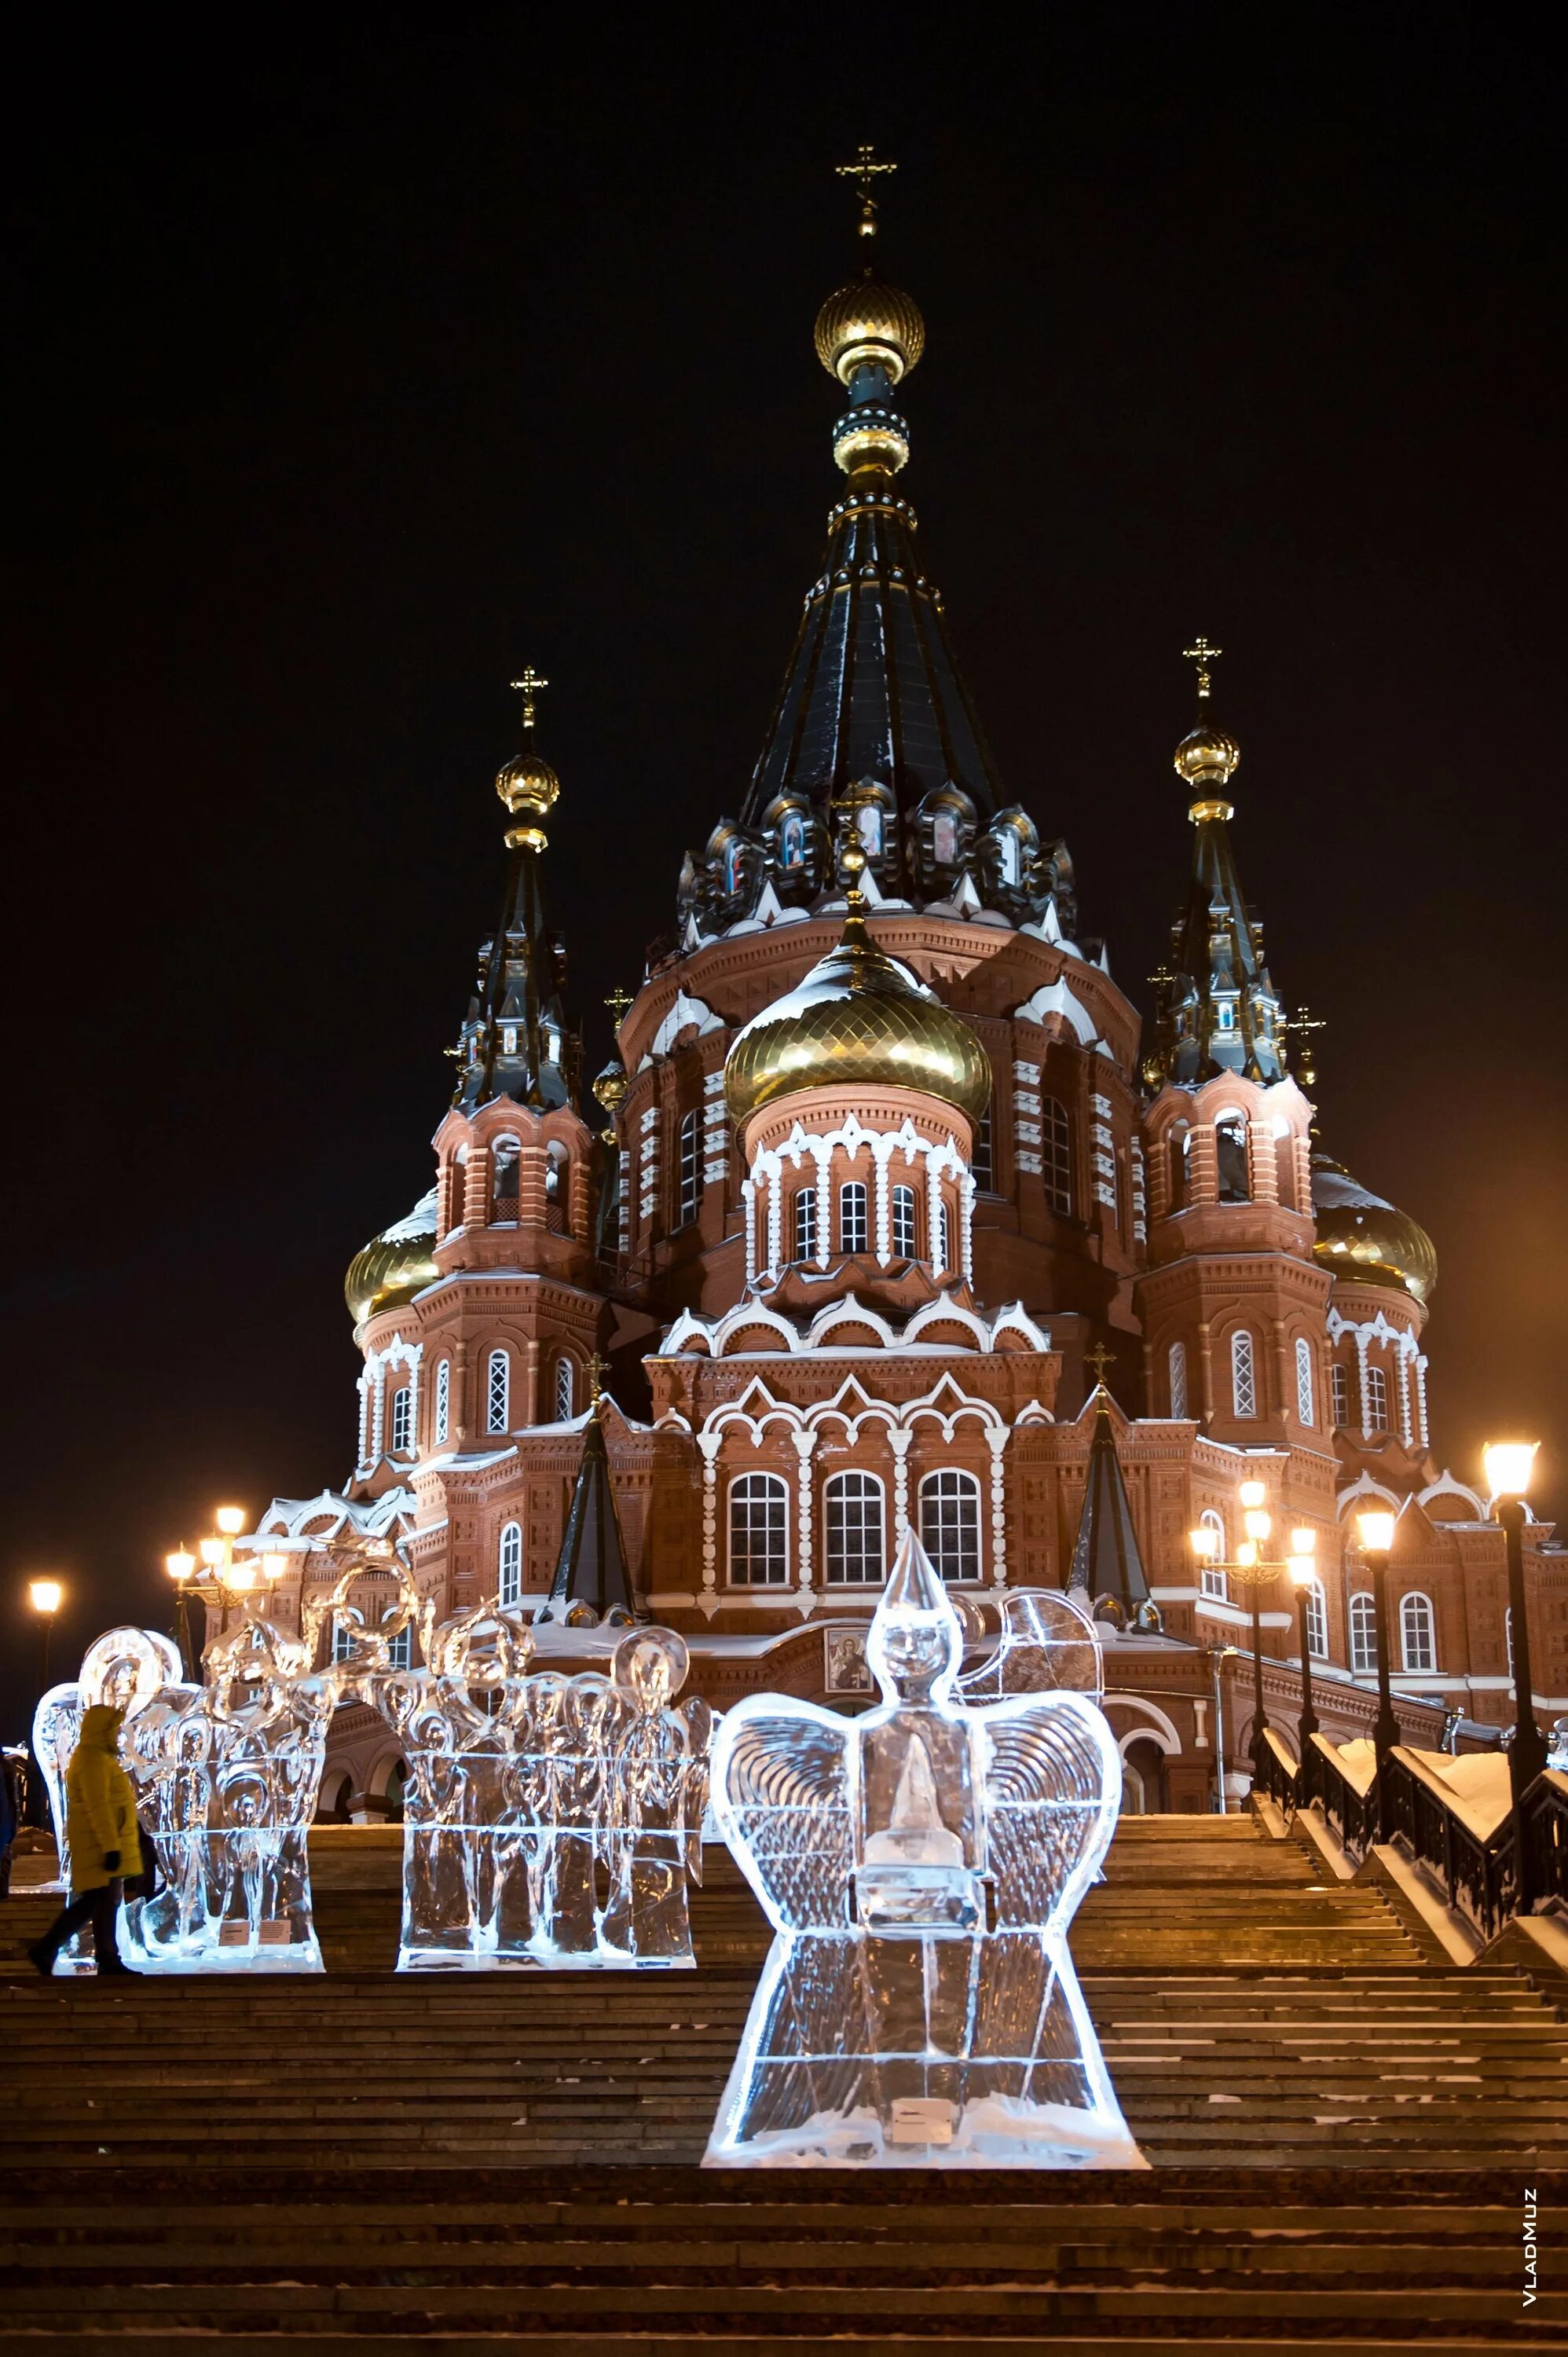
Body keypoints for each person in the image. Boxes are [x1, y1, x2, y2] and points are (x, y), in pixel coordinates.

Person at [27, 1705, 144, 1978]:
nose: (117, 1734)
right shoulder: (92, 1758)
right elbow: (98, 1806)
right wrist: (111, 1846)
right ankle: (48, 1948)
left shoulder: (100, 1757)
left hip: (104, 1843)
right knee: (95, 1900)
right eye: (113, 1728)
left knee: (104, 1902)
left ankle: (107, 1958)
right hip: (100, 1845)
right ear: (101, 1729)